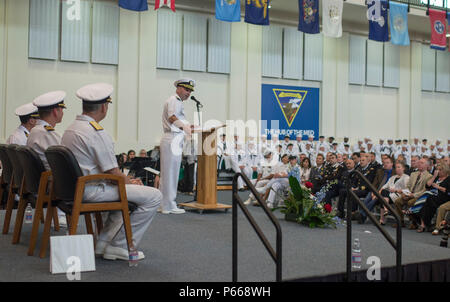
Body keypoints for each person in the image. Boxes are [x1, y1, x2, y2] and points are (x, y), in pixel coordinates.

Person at [62, 83, 162, 261]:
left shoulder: (71, 128)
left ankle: (103, 243)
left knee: (128, 195)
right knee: (154, 196)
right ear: (103, 107)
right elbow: (113, 172)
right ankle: (120, 245)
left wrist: (127, 182)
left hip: (76, 188)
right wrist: (130, 182)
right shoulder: (96, 132)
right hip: (92, 190)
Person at [27, 90, 67, 226]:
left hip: (39, 182)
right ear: (56, 111)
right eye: (62, 109)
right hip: (52, 185)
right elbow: (64, 162)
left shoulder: (35, 130)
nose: (63, 113)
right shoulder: (48, 133)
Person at [159, 78, 195, 214]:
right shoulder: (174, 100)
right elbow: (172, 117)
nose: (188, 93)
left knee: (169, 173)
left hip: (174, 138)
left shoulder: (177, 101)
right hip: (171, 138)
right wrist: (184, 127)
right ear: (178, 88)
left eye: (190, 91)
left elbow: (177, 119)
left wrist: (187, 126)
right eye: (186, 89)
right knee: (170, 173)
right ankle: (168, 204)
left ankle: (166, 203)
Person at [393, 158, 432, 228]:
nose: (419, 164)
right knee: (397, 201)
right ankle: (400, 221)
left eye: (422, 163)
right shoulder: (413, 174)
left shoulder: (429, 176)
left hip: (419, 196)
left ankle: (414, 222)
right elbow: (408, 186)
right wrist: (405, 193)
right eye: (419, 162)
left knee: (410, 202)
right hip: (409, 194)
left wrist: (413, 195)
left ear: (427, 166)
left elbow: (424, 190)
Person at [416, 164, 450, 232]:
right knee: (428, 199)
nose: (438, 171)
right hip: (433, 196)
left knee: (428, 199)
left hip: (443, 197)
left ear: (445, 170)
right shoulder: (437, 177)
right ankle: (425, 223)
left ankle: (422, 223)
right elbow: (427, 186)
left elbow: (448, 192)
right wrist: (434, 176)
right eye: (437, 169)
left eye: (440, 170)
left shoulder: (449, 179)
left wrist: (438, 187)